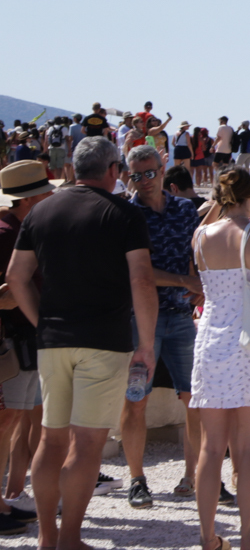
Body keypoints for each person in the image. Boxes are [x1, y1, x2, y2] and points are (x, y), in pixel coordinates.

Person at [6, 136, 158, 550]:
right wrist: (145, 343)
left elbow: (16, 277)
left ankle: (46, 537)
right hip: (104, 340)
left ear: (73, 168)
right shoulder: (124, 214)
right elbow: (142, 279)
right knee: (86, 443)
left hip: (53, 340)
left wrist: (43, 323)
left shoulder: (42, 212)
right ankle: (70, 539)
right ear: (112, 171)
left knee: (51, 440)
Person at [184, 168, 250, 550]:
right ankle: (249, 536)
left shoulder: (201, 236)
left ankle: (207, 537)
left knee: (211, 447)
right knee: (249, 447)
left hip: (211, 340)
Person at [119, 144, 204, 509]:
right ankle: (137, 480)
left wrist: (200, 281)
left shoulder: (186, 210)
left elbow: (199, 255)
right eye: (136, 175)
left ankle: (195, 475)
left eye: (149, 173)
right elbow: (137, 273)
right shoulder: (125, 215)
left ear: (163, 167)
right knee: (136, 399)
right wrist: (185, 282)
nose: (144, 182)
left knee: (195, 399)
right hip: (143, 320)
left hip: (182, 318)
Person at [0, 161, 54, 532]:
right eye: (45, 191)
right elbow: (6, 293)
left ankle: (4, 502)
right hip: (11, 341)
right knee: (5, 423)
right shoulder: (7, 233)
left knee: (12, 421)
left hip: (20, 339)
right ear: (30, 198)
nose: (51, 195)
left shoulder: (18, 228)